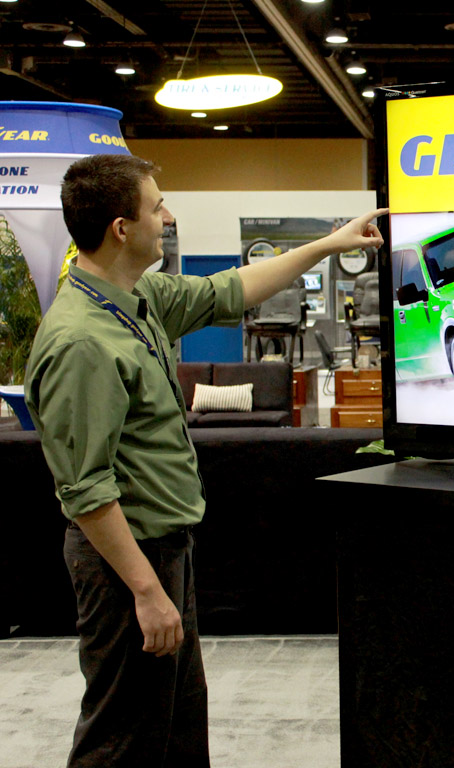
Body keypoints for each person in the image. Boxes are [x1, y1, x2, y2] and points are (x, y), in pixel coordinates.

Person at [24, 153, 385, 767]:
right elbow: (87, 489)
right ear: (121, 228)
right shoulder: (82, 340)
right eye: (157, 205)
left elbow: (235, 288)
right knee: (120, 735)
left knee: (177, 726)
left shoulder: (137, 298)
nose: (168, 217)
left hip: (164, 551)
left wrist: (329, 244)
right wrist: (145, 590)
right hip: (126, 564)